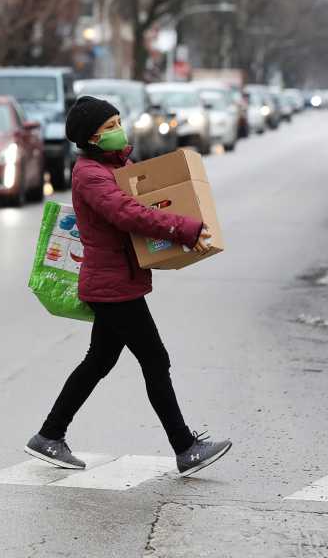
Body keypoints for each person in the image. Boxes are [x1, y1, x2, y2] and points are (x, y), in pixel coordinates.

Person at [26, 96, 232, 477]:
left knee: (98, 361)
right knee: (155, 359)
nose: (119, 129)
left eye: (119, 121)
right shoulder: (91, 175)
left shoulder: (112, 167)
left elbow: (142, 196)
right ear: (91, 137)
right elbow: (128, 213)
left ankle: (49, 434)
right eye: (111, 126)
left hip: (117, 282)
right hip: (112, 287)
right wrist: (183, 228)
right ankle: (185, 448)